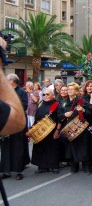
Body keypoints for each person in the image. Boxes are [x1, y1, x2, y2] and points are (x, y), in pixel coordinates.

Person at [0, 38, 26, 206]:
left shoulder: (21, 92)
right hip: (8, 126)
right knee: (6, 151)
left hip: (16, 131)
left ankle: (17, 170)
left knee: (17, 151)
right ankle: (6, 169)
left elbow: (19, 113)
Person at [0, 74, 30, 180]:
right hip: (6, 123)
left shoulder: (21, 92)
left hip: (17, 123)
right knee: (5, 148)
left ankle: (18, 171)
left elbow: (24, 106)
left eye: (7, 79)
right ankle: (5, 171)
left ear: (13, 81)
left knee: (18, 148)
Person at [59, 82, 91, 174]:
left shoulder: (82, 101)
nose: (69, 91)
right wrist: (64, 114)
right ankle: (74, 166)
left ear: (76, 91)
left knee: (83, 147)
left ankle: (86, 166)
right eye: (68, 89)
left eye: (72, 89)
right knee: (71, 147)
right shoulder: (63, 102)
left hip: (81, 128)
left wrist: (83, 110)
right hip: (69, 129)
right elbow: (59, 115)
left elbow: (89, 113)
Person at [30, 88, 62, 174]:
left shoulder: (56, 104)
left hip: (52, 131)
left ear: (52, 95)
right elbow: (36, 117)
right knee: (40, 148)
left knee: (52, 149)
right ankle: (42, 166)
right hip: (40, 130)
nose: (46, 96)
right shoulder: (40, 104)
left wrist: (57, 130)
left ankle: (54, 166)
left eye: (48, 94)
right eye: (44, 94)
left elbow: (60, 119)